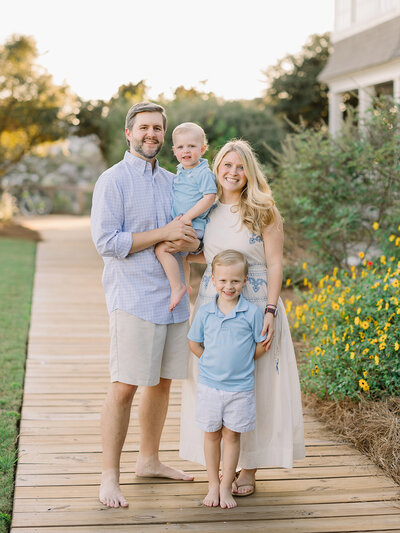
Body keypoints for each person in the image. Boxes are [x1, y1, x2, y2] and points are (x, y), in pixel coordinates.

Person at [180, 139, 305, 496]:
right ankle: (220, 470)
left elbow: (275, 262)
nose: (232, 173)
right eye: (226, 165)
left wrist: (269, 309)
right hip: (213, 305)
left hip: (257, 304)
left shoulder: (264, 209)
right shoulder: (205, 209)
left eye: (240, 167)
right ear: (216, 167)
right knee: (214, 382)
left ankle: (249, 469)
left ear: (249, 172)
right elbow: (208, 255)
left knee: (258, 385)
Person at [91, 102, 200, 508]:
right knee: (124, 386)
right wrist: (162, 234)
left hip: (173, 301)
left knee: (162, 383)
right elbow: (107, 243)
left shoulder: (176, 181)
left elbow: (190, 236)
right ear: (129, 133)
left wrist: (191, 241)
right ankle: (109, 477)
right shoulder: (112, 181)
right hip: (133, 298)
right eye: (144, 128)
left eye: (158, 128)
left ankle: (149, 460)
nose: (151, 134)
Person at [188, 250, 267, 509]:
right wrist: (209, 360)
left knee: (232, 436)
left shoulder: (252, 313)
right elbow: (193, 342)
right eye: (222, 281)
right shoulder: (205, 312)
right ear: (213, 280)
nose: (228, 286)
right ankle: (212, 483)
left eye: (234, 281)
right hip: (210, 386)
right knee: (211, 435)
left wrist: (241, 362)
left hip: (240, 389)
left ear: (245, 281)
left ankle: (225, 486)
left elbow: (260, 346)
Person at [155, 122, 216, 311]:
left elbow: (209, 197)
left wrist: (188, 217)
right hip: (184, 224)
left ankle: (177, 286)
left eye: (192, 146)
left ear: (203, 149)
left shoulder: (203, 172)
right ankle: (187, 284)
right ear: (174, 150)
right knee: (182, 258)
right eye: (181, 147)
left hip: (192, 225)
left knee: (162, 250)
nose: (186, 151)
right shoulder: (181, 171)